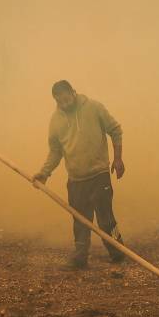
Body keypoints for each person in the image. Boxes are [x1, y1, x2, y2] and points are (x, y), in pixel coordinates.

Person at [33, 80, 126, 270]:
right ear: (56, 101)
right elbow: (55, 151)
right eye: (60, 102)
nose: (65, 104)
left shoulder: (94, 107)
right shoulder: (56, 120)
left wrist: (118, 159)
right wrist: (44, 173)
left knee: (105, 218)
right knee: (80, 219)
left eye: (67, 99)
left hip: (99, 174)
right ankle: (80, 257)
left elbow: (115, 130)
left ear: (73, 93)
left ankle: (118, 251)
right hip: (76, 179)